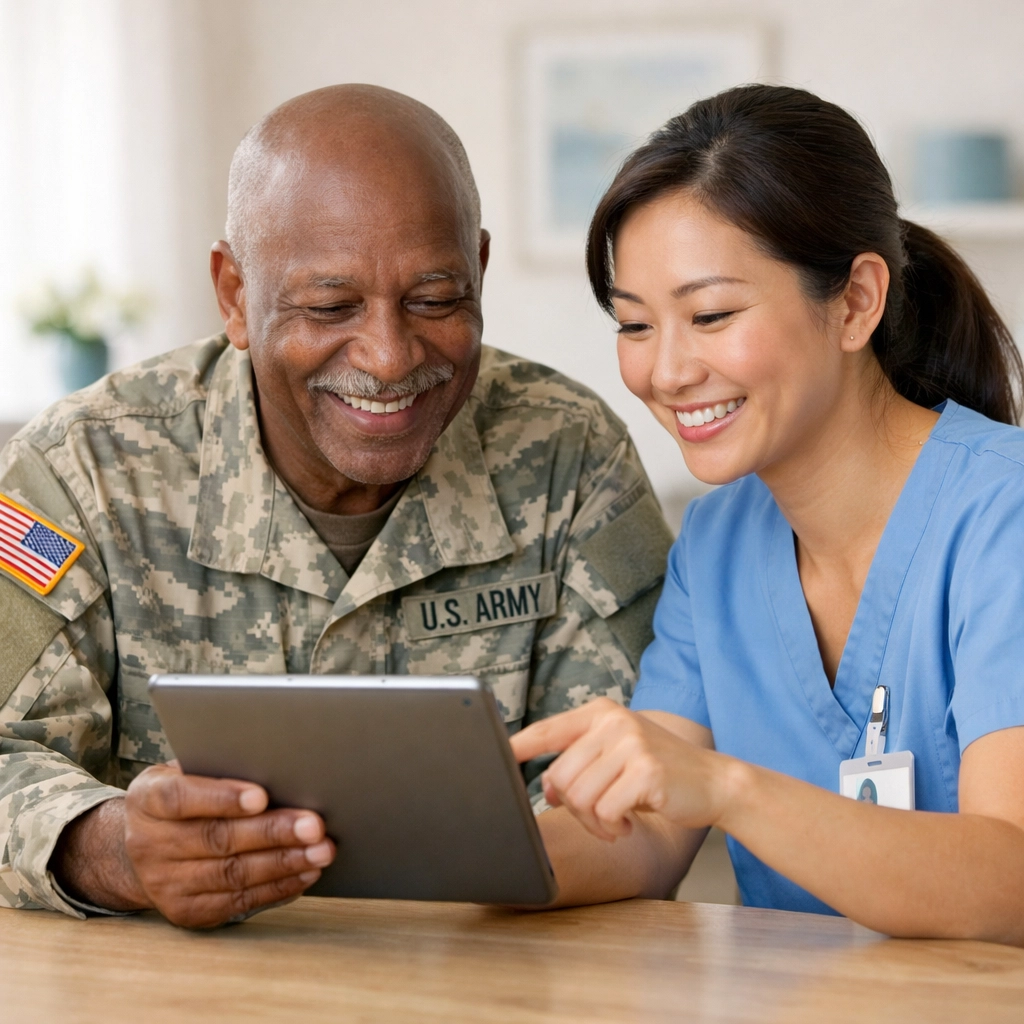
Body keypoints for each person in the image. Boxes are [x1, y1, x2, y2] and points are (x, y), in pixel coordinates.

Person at [0, 85, 672, 928]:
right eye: (329, 307)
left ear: (481, 269)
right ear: (235, 295)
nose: (389, 358)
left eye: (434, 300)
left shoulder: (569, 456)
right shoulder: (86, 469)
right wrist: (111, 849)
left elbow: (648, 787)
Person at [511, 84, 1024, 945]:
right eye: (635, 325)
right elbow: (648, 840)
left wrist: (727, 787)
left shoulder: (1003, 517)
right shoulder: (715, 546)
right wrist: (410, 849)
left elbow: (1012, 882)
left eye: (711, 315)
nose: (665, 373)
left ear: (857, 301)